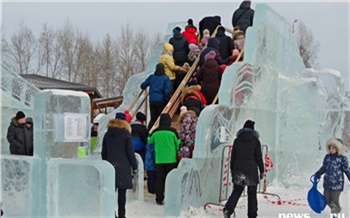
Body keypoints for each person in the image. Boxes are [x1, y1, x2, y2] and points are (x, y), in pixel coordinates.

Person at [223, 120, 264, 218]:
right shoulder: (256, 141)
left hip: (239, 169)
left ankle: (228, 210)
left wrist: (232, 169)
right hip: (251, 170)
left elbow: (233, 156)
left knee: (237, 190)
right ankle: (252, 215)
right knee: (252, 193)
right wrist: (262, 170)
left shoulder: (237, 140)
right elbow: (258, 157)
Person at [101, 112, 138, 218]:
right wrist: (134, 166)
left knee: (110, 192)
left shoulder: (107, 134)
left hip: (110, 165)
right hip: (123, 167)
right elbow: (130, 153)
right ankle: (122, 215)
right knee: (122, 193)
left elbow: (104, 152)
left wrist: (106, 163)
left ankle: (111, 213)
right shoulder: (126, 135)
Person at [147, 113, 180, 205]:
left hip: (159, 159)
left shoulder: (155, 132)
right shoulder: (173, 131)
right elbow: (178, 144)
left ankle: (159, 199)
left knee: (159, 179)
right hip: (171, 159)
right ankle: (171, 198)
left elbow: (149, 141)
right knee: (171, 179)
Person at [315, 138, 350, 215]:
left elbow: (347, 170)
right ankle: (337, 208)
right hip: (327, 183)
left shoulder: (342, 159)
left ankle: (335, 212)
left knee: (334, 200)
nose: (331, 150)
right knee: (326, 199)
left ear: (338, 148)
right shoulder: (327, 157)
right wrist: (319, 173)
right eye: (330, 148)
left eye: (333, 148)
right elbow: (324, 167)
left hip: (337, 184)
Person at [140, 63, 170, 130]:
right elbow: (167, 91)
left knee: (153, 118)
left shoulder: (151, 77)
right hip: (161, 101)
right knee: (159, 119)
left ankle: (149, 133)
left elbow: (142, 85)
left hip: (152, 100)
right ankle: (158, 132)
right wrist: (167, 100)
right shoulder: (165, 78)